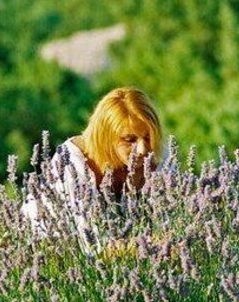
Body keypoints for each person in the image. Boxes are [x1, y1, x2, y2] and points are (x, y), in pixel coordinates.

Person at [22, 87, 163, 255]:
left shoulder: (156, 154)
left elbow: (175, 221)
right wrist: (158, 245)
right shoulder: (72, 162)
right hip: (48, 253)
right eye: (129, 139)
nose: (142, 149)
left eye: (147, 137)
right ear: (106, 137)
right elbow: (94, 246)